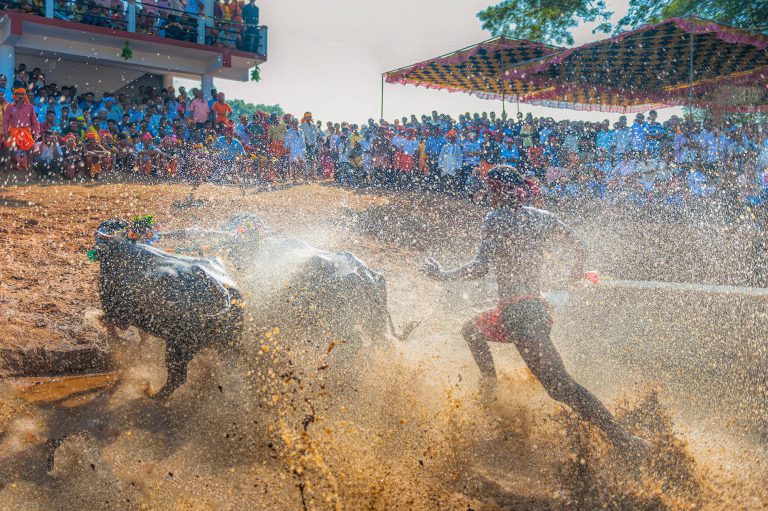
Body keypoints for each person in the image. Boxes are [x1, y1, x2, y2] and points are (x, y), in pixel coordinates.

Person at [421, 165, 645, 452]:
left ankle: (623, 439)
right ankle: (491, 390)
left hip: (519, 314)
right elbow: (581, 246)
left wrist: (443, 275)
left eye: (490, 190)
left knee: (560, 387)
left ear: (500, 191)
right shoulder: (543, 218)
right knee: (471, 330)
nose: (488, 195)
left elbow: (479, 267)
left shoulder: (496, 218)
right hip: (525, 309)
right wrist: (576, 272)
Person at [3, 88, 40, 171]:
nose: (20, 96)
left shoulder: (30, 107)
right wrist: (6, 133)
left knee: (29, 152)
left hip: (26, 131)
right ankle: (6, 173)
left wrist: (36, 133)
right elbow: (6, 121)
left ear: (25, 95)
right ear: (14, 95)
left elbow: (34, 121)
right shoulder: (10, 106)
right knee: (8, 151)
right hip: (14, 131)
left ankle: (29, 174)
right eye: (18, 94)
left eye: (22, 94)